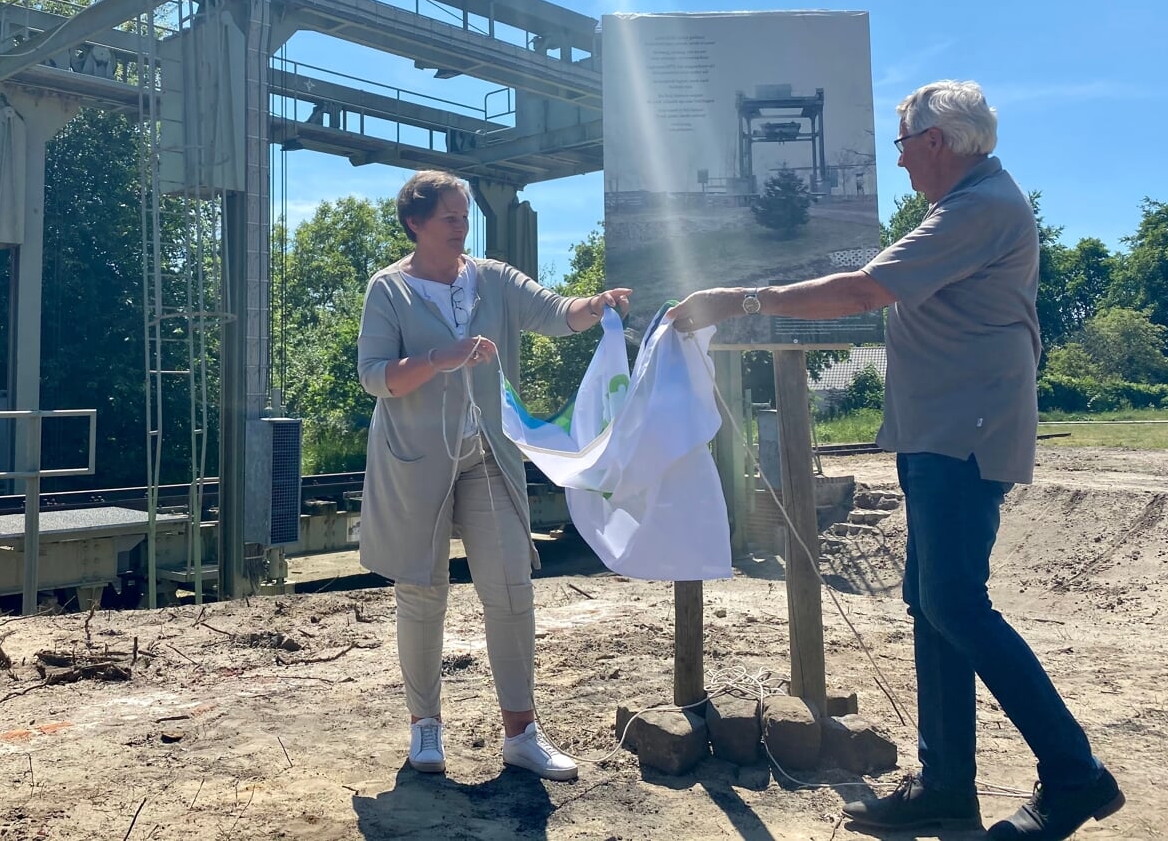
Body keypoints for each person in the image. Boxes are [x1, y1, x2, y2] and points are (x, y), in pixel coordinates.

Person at [668, 81, 1122, 840]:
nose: (901, 159)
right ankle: (946, 786)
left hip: (963, 432)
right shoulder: (969, 203)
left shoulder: (979, 208)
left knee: (953, 601)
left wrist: (740, 300)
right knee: (931, 601)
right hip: (940, 429)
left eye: (905, 143)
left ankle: (1075, 775)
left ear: (937, 141)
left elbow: (863, 291)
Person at [356, 170, 630, 780]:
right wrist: (438, 358)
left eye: (464, 216)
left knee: (510, 588)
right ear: (416, 224)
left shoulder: (496, 279)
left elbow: (558, 314)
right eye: (450, 217)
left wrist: (597, 305)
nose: (462, 226)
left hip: (489, 457)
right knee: (422, 593)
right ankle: (425, 730)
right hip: (414, 463)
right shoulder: (388, 290)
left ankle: (522, 734)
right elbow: (376, 377)